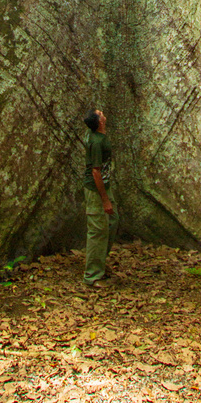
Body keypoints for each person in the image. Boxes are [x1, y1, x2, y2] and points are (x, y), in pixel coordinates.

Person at [82, 107, 119, 285]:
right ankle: (93, 275)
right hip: (96, 189)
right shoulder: (95, 142)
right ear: (100, 122)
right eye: (100, 114)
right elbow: (95, 172)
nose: (103, 113)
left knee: (112, 221)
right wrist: (104, 199)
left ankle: (99, 261)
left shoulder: (99, 135)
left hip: (104, 186)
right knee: (97, 230)